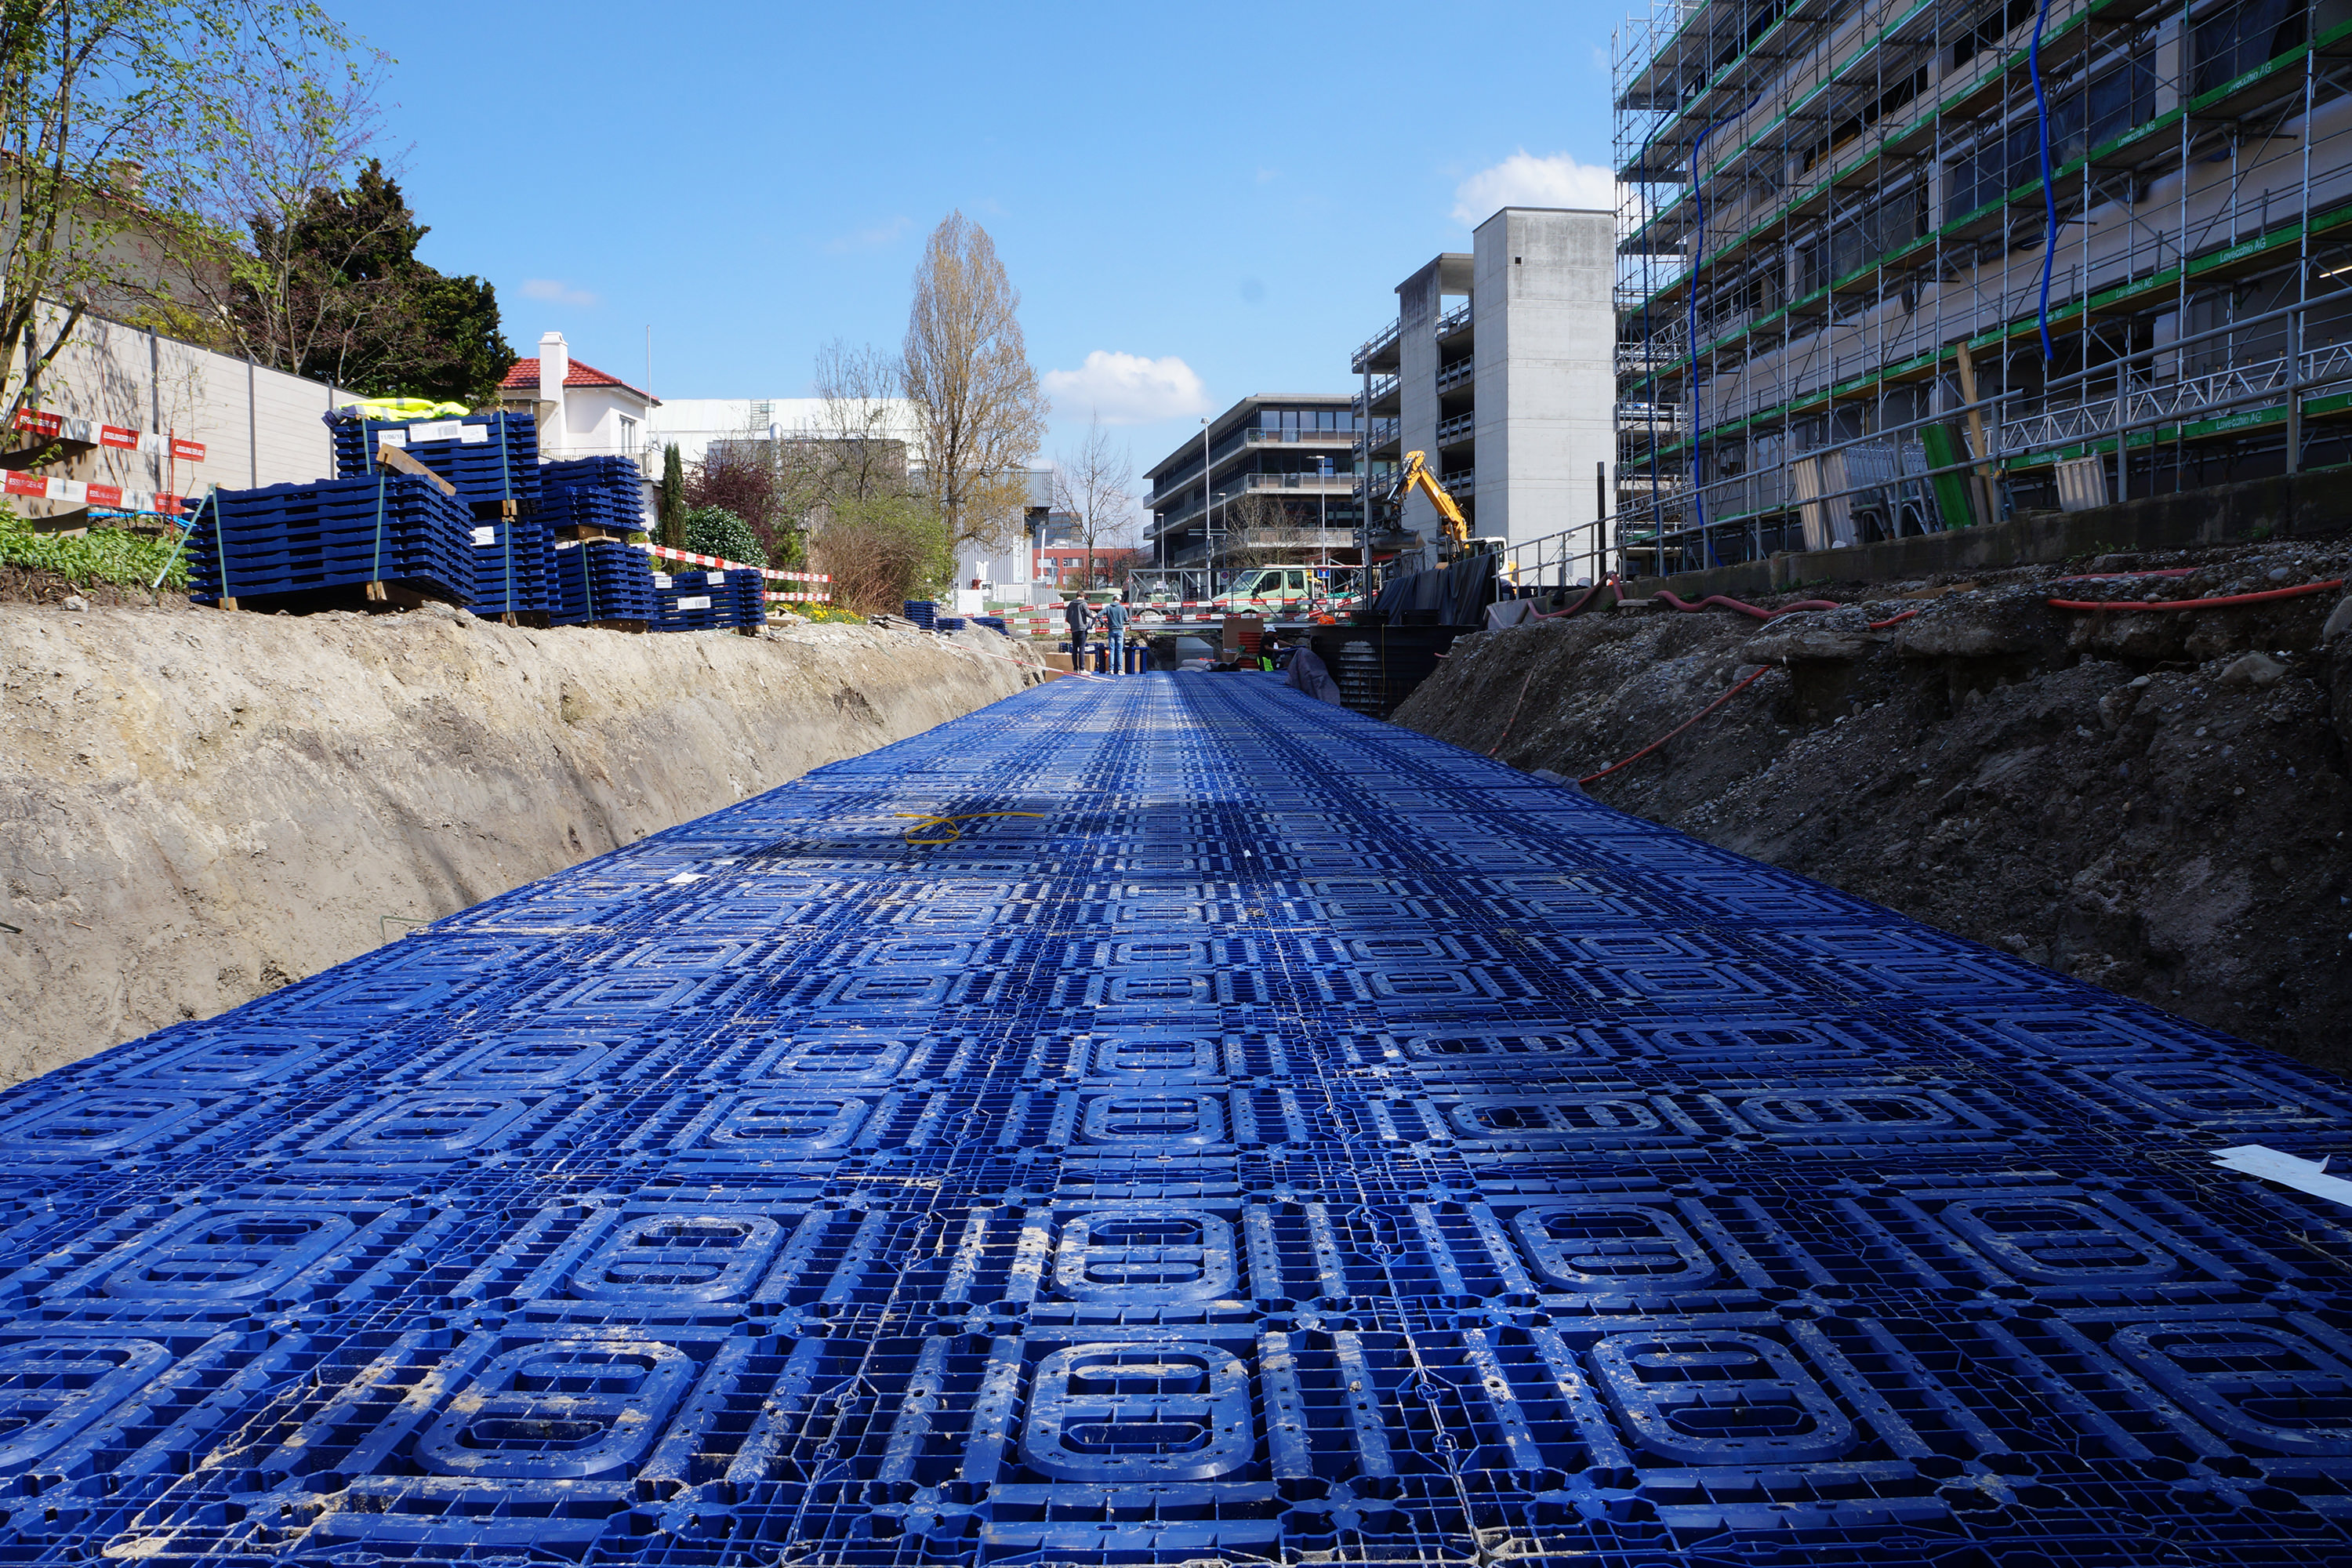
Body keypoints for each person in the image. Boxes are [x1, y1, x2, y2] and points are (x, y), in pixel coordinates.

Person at [1103, 597, 1130, 675]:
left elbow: (1099, 615)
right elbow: (1126, 619)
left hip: (1111, 631)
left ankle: (1111, 670)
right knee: (1119, 650)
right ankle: (1120, 669)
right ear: (1119, 600)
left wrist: (1105, 623)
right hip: (1120, 631)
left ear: (1113, 600)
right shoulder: (1122, 608)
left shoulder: (1108, 608)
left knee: (1111, 650)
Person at [1063, 594, 1090, 671]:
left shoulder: (1071, 604)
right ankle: (1082, 669)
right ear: (1083, 596)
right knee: (1081, 648)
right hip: (1082, 629)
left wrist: (1073, 624)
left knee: (1074, 649)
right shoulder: (1083, 603)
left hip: (1074, 629)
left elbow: (1067, 618)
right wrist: (1093, 616)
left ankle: (1075, 668)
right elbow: (1088, 613)